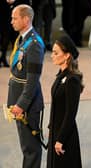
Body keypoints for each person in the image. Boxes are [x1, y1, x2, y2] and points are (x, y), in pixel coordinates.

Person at [7, 4, 45, 168]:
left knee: (31, 149)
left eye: (15, 18)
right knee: (26, 146)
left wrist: (21, 104)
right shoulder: (23, 39)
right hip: (19, 100)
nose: (11, 22)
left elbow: (32, 80)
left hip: (28, 105)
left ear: (26, 19)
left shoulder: (34, 44)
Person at [47, 34, 84, 168]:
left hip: (65, 136)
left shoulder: (72, 80)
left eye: (56, 53)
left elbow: (70, 113)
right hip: (55, 132)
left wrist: (61, 139)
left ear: (67, 55)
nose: (52, 55)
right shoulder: (61, 75)